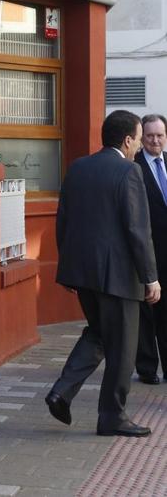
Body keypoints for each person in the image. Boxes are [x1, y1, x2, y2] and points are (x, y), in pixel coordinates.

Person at [46, 110, 160, 438]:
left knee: (98, 334)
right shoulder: (129, 171)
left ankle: (61, 391)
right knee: (123, 346)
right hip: (119, 278)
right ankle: (112, 416)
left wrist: (69, 268)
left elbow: (62, 220)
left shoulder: (78, 167)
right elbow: (138, 230)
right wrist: (150, 277)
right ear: (127, 140)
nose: (139, 147)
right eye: (138, 140)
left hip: (83, 273)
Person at [133, 114, 167, 385]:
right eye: (150, 136)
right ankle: (146, 368)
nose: (155, 140)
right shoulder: (133, 167)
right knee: (147, 313)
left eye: (160, 135)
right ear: (141, 138)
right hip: (145, 252)